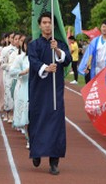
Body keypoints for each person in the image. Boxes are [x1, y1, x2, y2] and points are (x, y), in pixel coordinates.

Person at [28, 12, 72, 175]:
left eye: (50, 23)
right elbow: (33, 61)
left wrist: (58, 51)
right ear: (39, 25)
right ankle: (37, 152)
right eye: (44, 22)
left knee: (56, 123)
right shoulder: (34, 45)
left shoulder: (59, 44)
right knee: (38, 120)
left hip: (55, 89)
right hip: (39, 89)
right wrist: (45, 68)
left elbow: (67, 59)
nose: (47, 25)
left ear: (53, 25)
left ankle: (54, 161)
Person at [79, 20, 106, 98]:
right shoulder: (95, 41)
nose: (104, 29)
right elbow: (89, 54)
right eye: (103, 27)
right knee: (96, 92)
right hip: (96, 70)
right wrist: (86, 66)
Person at [9, 35, 31, 149]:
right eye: (28, 45)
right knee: (26, 115)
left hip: (36, 89)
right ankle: (29, 139)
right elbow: (12, 72)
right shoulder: (21, 58)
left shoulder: (39, 58)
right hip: (24, 87)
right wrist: (24, 72)